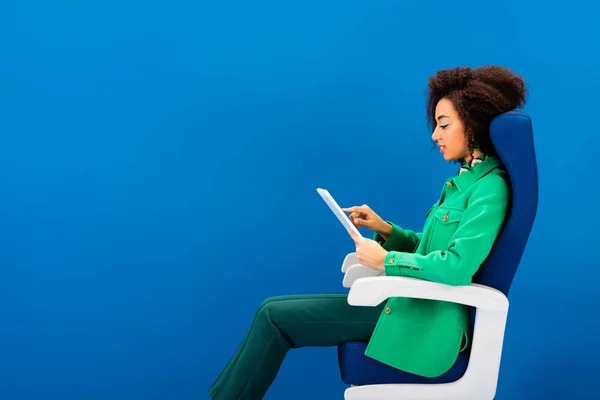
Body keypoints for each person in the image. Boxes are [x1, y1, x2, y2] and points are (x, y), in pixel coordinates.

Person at [208, 65, 528, 400]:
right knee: (269, 308)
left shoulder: (490, 189)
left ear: (474, 124)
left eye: (444, 124)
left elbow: (458, 266)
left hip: (425, 321)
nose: (435, 134)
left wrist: (386, 259)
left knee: (273, 316)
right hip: (409, 306)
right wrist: (386, 230)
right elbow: (429, 249)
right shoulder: (465, 183)